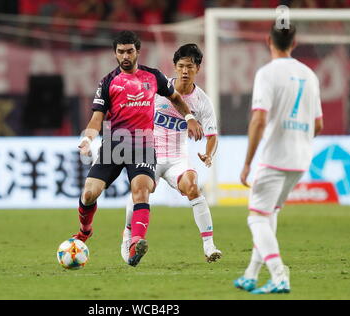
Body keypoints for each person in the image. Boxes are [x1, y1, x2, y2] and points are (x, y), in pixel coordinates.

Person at [74, 31, 203, 267]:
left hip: (143, 143)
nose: (125, 55)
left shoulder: (153, 76)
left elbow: (175, 97)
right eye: (121, 51)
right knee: (90, 193)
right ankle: (85, 231)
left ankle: (136, 242)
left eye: (129, 51)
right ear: (115, 53)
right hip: (114, 142)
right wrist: (88, 139)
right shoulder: (108, 82)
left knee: (141, 190)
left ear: (137, 51)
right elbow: (96, 118)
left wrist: (190, 116)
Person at [234, 24, 324, 294]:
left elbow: (259, 120)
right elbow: (318, 125)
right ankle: (251, 274)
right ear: (294, 42)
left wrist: (248, 162)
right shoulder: (310, 74)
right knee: (269, 212)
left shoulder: (267, 73)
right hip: (300, 160)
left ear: (267, 41)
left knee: (256, 218)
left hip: (275, 158)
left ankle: (278, 276)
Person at [120, 44, 222, 264]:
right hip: (150, 155)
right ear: (175, 67)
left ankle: (209, 246)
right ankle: (128, 236)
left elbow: (212, 135)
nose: (185, 71)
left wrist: (209, 154)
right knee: (141, 192)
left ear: (198, 69)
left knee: (193, 187)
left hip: (178, 158)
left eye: (190, 67)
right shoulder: (158, 88)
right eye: (181, 66)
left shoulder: (202, 101)